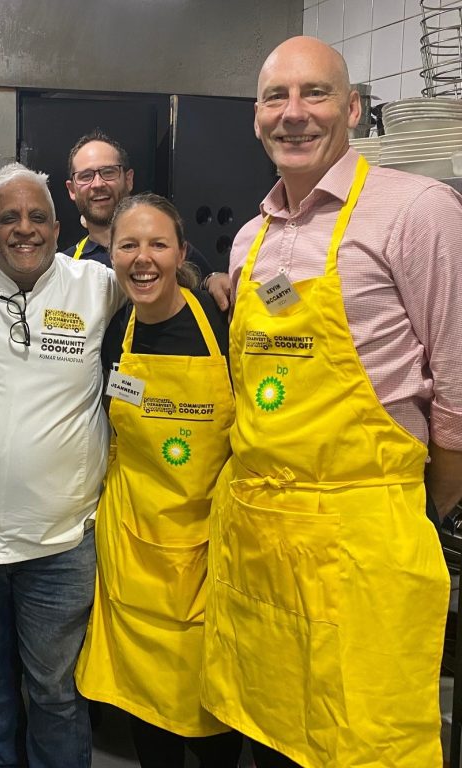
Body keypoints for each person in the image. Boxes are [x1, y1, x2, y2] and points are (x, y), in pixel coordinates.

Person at [200, 36, 461, 768]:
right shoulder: (249, 240)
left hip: (361, 543)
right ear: (255, 117)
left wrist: (402, 502)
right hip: (261, 539)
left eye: (314, 94)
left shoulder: (418, 211)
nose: (294, 114)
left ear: (352, 108)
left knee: (363, 743)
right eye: (276, 98)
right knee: (276, 740)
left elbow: (459, 391)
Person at [0, 162, 127, 768]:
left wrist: (216, 279)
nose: (24, 229)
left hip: (60, 544)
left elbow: (163, 274)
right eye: (7, 218)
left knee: (57, 695)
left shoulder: (97, 285)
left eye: (37, 217)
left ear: (57, 227)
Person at [74, 193, 242, 768]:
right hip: (133, 545)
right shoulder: (114, 328)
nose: (142, 259)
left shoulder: (222, 317)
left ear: (181, 252)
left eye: (157, 244)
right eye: (128, 245)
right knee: (146, 708)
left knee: (212, 707)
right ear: (111, 254)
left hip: (208, 547)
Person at [65, 130, 213, 278]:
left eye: (108, 172)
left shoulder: (168, 250)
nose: (97, 184)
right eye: (85, 176)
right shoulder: (65, 267)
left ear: (128, 180)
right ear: (72, 189)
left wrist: (212, 279)